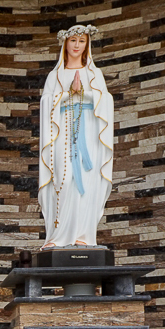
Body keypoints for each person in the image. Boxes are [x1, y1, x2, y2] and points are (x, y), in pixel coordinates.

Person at [38, 24, 113, 249]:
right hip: (62, 130)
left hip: (88, 129)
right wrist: (66, 94)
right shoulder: (55, 75)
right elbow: (45, 102)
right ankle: (58, 235)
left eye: (82, 41)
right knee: (64, 176)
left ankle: (84, 234)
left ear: (87, 45)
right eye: (73, 41)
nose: (77, 46)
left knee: (88, 181)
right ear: (65, 43)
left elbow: (106, 100)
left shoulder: (94, 73)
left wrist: (84, 93)